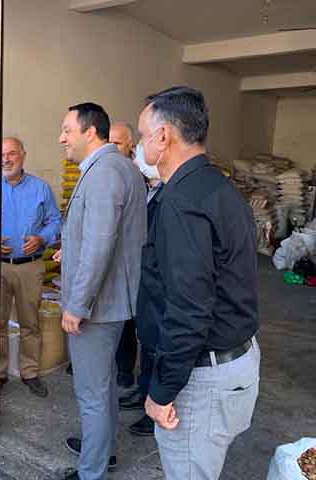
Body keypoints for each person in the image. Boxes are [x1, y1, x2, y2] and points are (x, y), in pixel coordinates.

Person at [137, 86, 260, 479]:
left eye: (143, 135)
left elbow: (188, 309)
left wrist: (161, 391)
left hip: (202, 376)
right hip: (236, 361)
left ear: (163, 136)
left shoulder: (181, 201)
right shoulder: (217, 187)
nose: (141, 145)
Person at [56, 103, 146, 480]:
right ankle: (102, 449)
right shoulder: (119, 167)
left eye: (67, 130)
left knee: (92, 392)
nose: (61, 138)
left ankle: (91, 471)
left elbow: (99, 245)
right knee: (103, 384)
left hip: (97, 305)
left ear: (90, 132)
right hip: (109, 300)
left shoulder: (105, 172)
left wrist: (77, 305)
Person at [0, 137, 61, 398]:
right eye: (2, 155)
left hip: (30, 267)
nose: (6, 159)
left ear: (23, 155)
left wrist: (43, 238)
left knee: (30, 322)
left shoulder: (40, 188)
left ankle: (30, 372)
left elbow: (55, 221)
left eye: (12, 154)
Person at [118, 140, 163, 438]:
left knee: (158, 346)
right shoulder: (149, 190)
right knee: (146, 341)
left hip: (158, 282)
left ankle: (154, 409)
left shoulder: (169, 195)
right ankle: (144, 390)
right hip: (143, 277)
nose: (136, 159)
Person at [109, 121, 140, 391]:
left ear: (131, 145)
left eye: (117, 143)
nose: (112, 148)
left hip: (129, 261)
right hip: (107, 259)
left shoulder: (137, 177)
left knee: (126, 318)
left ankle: (125, 369)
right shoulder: (103, 174)